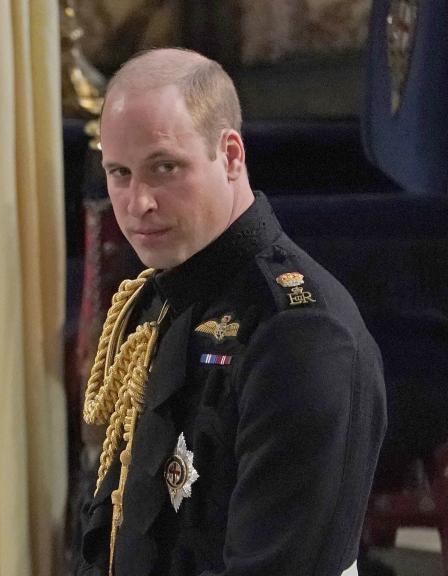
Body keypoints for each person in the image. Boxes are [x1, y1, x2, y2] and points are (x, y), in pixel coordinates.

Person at [77, 48, 385, 576]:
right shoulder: (156, 300)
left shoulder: (299, 333)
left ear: (232, 155)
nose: (138, 202)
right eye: (119, 172)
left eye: (164, 167)